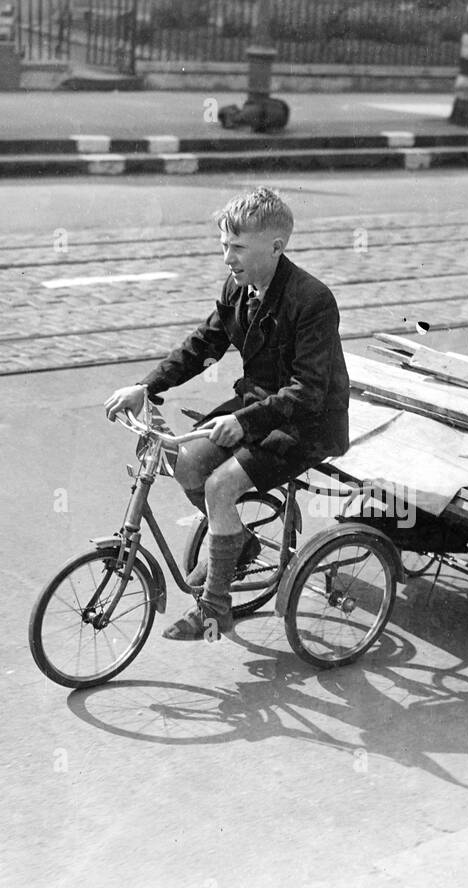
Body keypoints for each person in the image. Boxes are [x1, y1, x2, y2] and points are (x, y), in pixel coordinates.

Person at [104, 188, 351, 640]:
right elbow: (204, 344)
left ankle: (215, 609)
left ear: (276, 247)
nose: (227, 258)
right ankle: (237, 541)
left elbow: (309, 391)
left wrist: (243, 422)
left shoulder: (312, 299)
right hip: (258, 407)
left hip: (307, 424)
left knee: (219, 486)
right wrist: (146, 386)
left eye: (237, 247)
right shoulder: (238, 288)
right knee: (186, 464)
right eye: (223, 245)